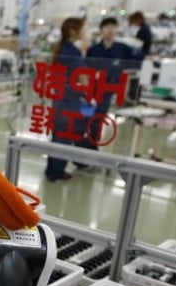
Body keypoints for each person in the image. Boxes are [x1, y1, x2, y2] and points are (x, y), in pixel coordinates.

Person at [80, 17, 135, 152]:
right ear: (101, 30)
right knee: (90, 117)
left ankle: (94, 146)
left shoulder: (124, 49)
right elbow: (87, 68)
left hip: (114, 90)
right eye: (107, 27)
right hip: (96, 89)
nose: (110, 30)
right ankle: (87, 146)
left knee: (102, 118)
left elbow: (134, 66)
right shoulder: (94, 50)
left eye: (113, 27)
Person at [45, 17, 87, 182]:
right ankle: (57, 172)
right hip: (70, 100)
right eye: (82, 29)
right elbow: (84, 78)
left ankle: (52, 170)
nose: (84, 32)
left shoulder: (61, 48)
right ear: (73, 31)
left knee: (58, 136)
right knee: (65, 136)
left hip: (60, 98)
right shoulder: (73, 52)